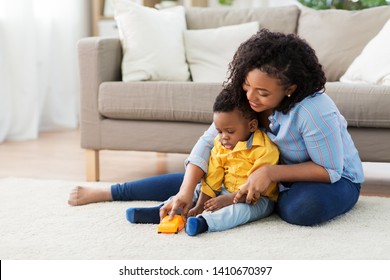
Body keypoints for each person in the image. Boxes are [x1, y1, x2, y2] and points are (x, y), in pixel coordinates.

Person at [69, 29, 364, 227]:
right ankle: (110, 191)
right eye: (247, 86)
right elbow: (207, 143)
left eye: (262, 93)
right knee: (198, 179)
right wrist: (187, 192)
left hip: (332, 179)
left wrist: (269, 173)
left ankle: (261, 200)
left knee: (300, 210)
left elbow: (331, 170)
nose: (250, 97)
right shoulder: (245, 99)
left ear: (291, 89)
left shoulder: (314, 111)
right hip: (259, 173)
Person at [184, 89, 279, 235]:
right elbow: (213, 176)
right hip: (226, 189)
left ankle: (204, 223)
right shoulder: (220, 144)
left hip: (258, 199)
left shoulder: (265, 150)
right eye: (220, 131)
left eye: (230, 131)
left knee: (238, 212)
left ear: (252, 126)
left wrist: (228, 199)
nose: (224, 137)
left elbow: (255, 189)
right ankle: (168, 209)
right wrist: (201, 204)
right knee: (198, 190)